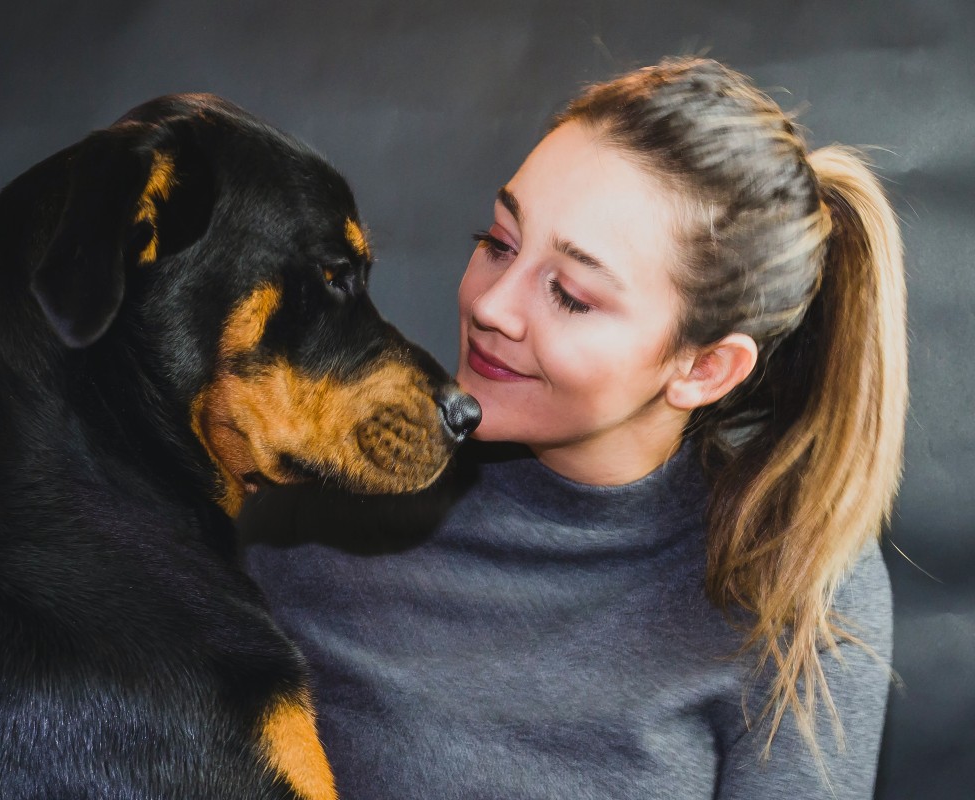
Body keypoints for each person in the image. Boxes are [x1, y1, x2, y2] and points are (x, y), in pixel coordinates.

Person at [241, 57, 906, 799]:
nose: (493, 306)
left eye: (571, 294)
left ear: (704, 369)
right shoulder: (312, 493)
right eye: (497, 242)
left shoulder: (800, 577)